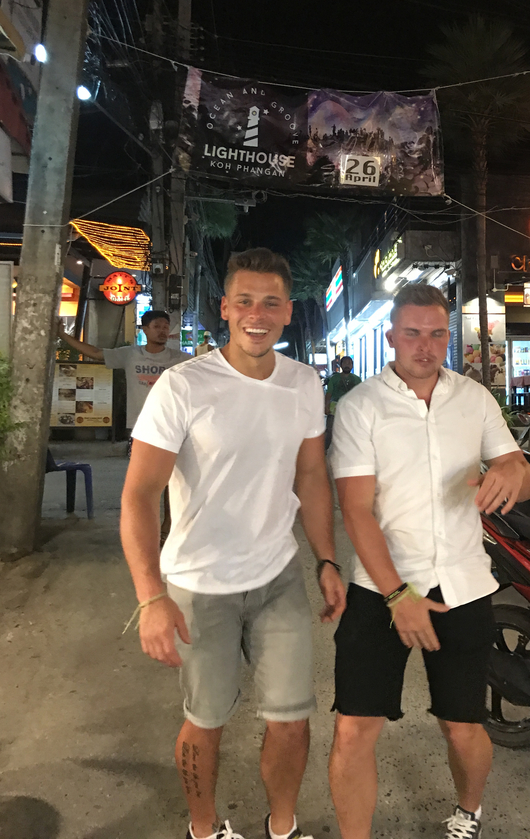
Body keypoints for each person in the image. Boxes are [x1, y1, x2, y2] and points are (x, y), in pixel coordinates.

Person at [120, 248, 347, 839]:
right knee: (206, 721)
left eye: (270, 302)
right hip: (198, 588)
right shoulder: (183, 386)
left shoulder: (303, 383)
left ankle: (282, 824)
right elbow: (139, 496)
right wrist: (150, 597)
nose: (257, 313)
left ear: (287, 312)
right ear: (225, 308)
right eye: (244, 300)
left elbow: (310, 476)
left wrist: (326, 558)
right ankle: (203, 827)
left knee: (293, 720)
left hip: (277, 580)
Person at [327, 283, 530, 839]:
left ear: (450, 335)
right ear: (392, 336)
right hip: (380, 589)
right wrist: (400, 596)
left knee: (462, 724)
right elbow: (356, 511)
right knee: (354, 728)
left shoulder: (474, 398)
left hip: (464, 585)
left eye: (437, 333)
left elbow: (521, 469)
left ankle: (468, 814)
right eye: (413, 333)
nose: (425, 345)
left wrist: (513, 472)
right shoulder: (360, 407)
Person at [58, 310, 190, 432]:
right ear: (145, 330)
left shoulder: (180, 358)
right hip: (139, 423)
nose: (162, 331)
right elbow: (96, 353)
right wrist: (63, 335)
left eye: (165, 327)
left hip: (171, 424)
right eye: (156, 326)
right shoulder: (130, 354)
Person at [324, 356, 361, 449]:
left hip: (351, 409)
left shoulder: (357, 379)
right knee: (330, 431)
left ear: (352, 365)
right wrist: (326, 406)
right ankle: (325, 452)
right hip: (334, 409)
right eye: (345, 363)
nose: (347, 365)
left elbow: (361, 395)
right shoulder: (334, 379)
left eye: (349, 363)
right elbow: (329, 393)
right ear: (341, 365)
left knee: (351, 432)